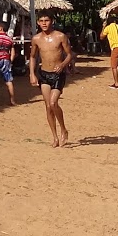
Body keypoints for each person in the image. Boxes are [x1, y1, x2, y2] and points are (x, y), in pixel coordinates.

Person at [28, 13, 74, 148]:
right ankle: (54, 137)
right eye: (41, 21)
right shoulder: (36, 39)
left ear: (52, 21)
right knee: (48, 106)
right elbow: (32, 57)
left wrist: (63, 64)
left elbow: (70, 54)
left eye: (46, 20)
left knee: (54, 103)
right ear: (38, 23)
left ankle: (64, 129)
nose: (44, 23)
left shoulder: (60, 36)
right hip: (44, 74)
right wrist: (31, 73)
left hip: (58, 74)